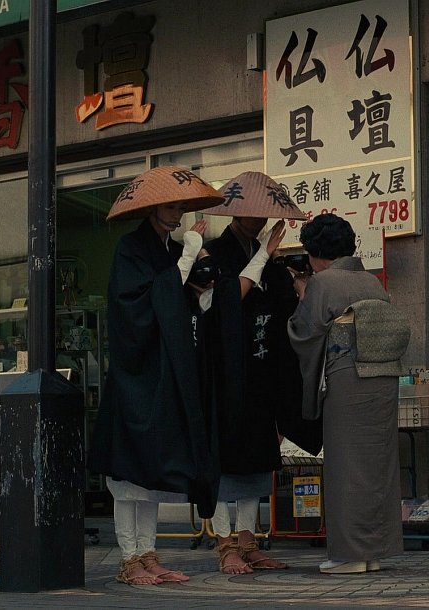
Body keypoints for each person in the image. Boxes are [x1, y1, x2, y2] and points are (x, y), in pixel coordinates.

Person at [88, 166, 224, 586]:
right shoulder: (131, 248)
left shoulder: (171, 250)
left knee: (150, 470)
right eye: (170, 206)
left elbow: (177, 303)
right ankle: (129, 559)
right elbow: (136, 306)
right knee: (128, 472)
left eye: (180, 207)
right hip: (135, 375)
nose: (177, 214)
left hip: (162, 374)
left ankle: (148, 553)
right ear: (152, 209)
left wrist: (200, 291)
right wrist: (185, 261)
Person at [200, 171, 320, 574]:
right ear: (236, 212)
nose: (258, 219)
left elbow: (285, 311)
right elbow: (220, 305)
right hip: (226, 371)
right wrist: (264, 255)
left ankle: (249, 541)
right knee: (225, 457)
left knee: (257, 458)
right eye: (251, 213)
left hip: (264, 370)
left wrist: (300, 287)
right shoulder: (214, 253)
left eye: (263, 213)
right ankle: (225, 543)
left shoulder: (271, 259)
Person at [287, 213, 409, 574]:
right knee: (377, 464)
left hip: (347, 378)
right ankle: (373, 551)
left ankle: (348, 555)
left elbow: (303, 332)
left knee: (345, 464)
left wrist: (302, 294)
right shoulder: (371, 282)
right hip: (383, 379)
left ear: (315, 253)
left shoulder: (323, 282)